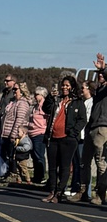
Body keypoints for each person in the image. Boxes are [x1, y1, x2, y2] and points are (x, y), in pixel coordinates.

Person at [43, 75, 87, 203]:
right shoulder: (57, 100)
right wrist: (50, 97)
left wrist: (73, 133)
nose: (64, 87)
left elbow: (82, 119)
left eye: (67, 85)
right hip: (53, 137)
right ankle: (52, 191)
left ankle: (59, 192)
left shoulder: (77, 102)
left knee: (64, 167)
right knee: (52, 167)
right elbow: (46, 108)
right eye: (63, 85)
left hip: (68, 139)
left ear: (72, 87)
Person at [79, 55, 107, 206]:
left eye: (102, 74)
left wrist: (103, 68)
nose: (100, 76)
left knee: (100, 161)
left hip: (103, 127)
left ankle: (100, 193)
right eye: (98, 74)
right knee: (85, 161)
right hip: (92, 126)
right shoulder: (98, 91)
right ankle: (83, 191)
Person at [0, 81, 31, 181]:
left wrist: (13, 134)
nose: (13, 91)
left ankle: (14, 174)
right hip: (6, 132)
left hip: (14, 133)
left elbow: (19, 120)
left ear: (21, 91)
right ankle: (10, 172)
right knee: (8, 154)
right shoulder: (13, 102)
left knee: (12, 155)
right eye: (13, 89)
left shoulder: (22, 103)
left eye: (15, 89)